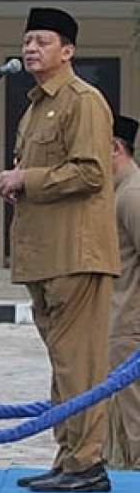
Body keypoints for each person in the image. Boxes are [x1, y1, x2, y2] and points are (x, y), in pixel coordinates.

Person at [0, 7, 119, 493]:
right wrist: (16, 183)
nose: (30, 49)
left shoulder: (82, 101)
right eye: (27, 41)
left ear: (67, 51)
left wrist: (28, 177)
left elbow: (91, 172)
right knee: (62, 365)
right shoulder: (33, 107)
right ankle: (69, 458)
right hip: (45, 255)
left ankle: (88, 464)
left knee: (80, 364)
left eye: (42, 41)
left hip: (76, 253)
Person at [104, 115, 140, 469]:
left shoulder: (132, 195)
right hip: (115, 326)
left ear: (115, 147)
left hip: (130, 328)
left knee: (135, 423)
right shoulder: (116, 193)